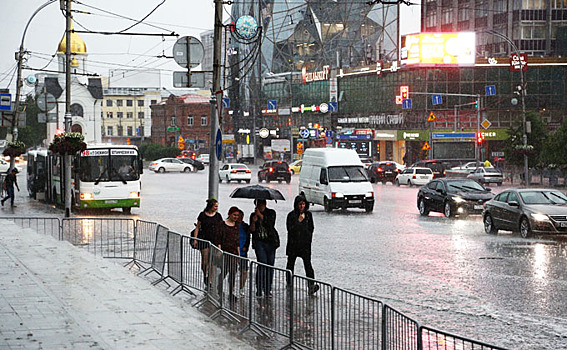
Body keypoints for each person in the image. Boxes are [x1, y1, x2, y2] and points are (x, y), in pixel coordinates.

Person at [286, 195, 319, 295]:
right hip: (293, 244)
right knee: (290, 264)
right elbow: (290, 229)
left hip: (305, 245)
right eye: (300, 204)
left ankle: (311, 285)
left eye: (303, 204)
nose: (302, 206)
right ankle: (289, 282)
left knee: (308, 265)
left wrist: (308, 238)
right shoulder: (291, 215)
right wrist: (298, 222)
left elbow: (311, 228)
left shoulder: (308, 215)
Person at [249, 198, 279, 298]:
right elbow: (252, 230)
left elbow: (270, 224)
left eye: (262, 204)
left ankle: (267, 289)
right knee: (262, 264)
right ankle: (259, 288)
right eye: (258, 205)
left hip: (270, 242)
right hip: (259, 242)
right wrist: (253, 222)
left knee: (270, 266)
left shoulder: (271, 213)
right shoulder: (253, 216)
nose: (260, 206)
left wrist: (261, 216)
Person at [192, 199, 223, 287]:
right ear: (210, 206)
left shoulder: (218, 216)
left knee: (212, 261)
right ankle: (205, 273)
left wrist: (220, 243)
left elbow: (221, 229)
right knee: (205, 260)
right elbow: (197, 227)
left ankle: (209, 279)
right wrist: (195, 239)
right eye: (215, 206)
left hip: (214, 240)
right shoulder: (202, 215)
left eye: (217, 206)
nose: (216, 208)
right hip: (204, 239)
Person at [216, 206, 241, 300]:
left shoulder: (236, 226)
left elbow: (237, 240)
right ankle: (219, 288)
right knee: (224, 272)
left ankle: (231, 292)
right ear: (229, 214)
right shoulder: (222, 224)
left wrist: (238, 254)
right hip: (225, 252)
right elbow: (218, 238)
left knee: (233, 273)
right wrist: (219, 250)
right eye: (234, 215)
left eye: (237, 215)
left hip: (233, 252)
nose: (236, 217)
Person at [237, 209, 251, 296]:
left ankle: (241, 287)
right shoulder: (231, 225)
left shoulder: (245, 226)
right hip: (233, 251)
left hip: (242, 252)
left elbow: (248, 237)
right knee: (231, 270)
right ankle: (232, 287)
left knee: (244, 270)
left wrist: (246, 246)